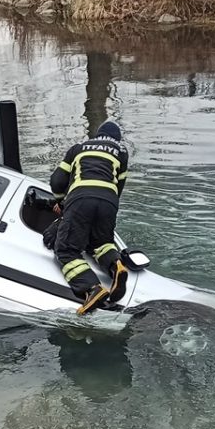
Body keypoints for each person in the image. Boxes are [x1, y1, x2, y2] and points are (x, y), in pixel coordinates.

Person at [47, 120, 131, 314]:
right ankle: (116, 265)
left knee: (66, 250)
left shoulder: (78, 148)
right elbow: (119, 185)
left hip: (81, 197)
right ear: (116, 139)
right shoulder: (122, 152)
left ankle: (92, 288)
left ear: (96, 135)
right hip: (109, 201)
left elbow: (57, 180)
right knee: (101, 243)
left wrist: (61, 202)